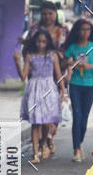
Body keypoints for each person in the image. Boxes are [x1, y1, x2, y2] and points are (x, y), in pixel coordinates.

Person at [14, 0, 68, 152]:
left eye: (50, 13)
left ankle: (49, 137)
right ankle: (43, 143)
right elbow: (27, 50)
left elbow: (67, 49)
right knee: (40, 112)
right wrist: (26, 64)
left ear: (55, 14)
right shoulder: (34, 30)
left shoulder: (62, 30)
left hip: (57, 75)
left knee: (52, 110)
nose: (47, 16)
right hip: (37, 76)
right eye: (44, 14)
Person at [18, 30, 66, 163]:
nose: (41, 44)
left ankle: (43, 143)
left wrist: (63, 91)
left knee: (46, 122)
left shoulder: (52, 56)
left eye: (44, 41)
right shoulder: (30, 56)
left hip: (49, 89)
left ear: (48, 42)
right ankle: (35, 154)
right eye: (38, 41)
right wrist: (17, 62)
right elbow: (23, 77)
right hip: (34, 89)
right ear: (35, 42)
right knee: (35, 122)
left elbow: (58, 75)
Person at [63, 18, 93, 162]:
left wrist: (88, 66)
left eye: (88, 29)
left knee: (84, 118)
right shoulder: (73, 47)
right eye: (83, 29)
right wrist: (70, 62)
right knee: (77, 115)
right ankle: (76, 149)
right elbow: (65, 60)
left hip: (90, 85)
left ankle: (79, 143)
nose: (85, 32)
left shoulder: (92, 47)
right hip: (75, 84)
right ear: (77, 31)